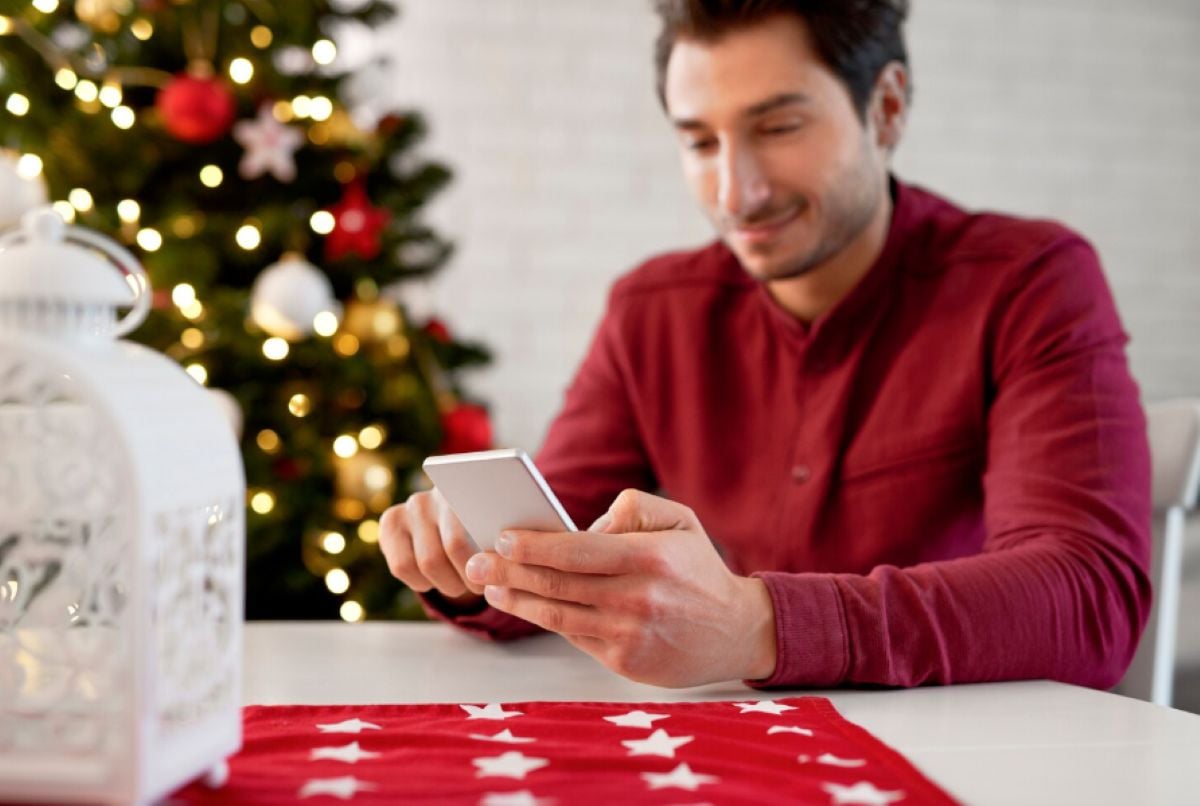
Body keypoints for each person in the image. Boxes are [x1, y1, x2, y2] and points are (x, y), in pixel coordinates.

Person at [378, 0, 1151, 690]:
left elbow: (1089, 600)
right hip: (731, 749)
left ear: (886, 109)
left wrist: (756, 626)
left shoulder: (1029, 282)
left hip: (977, 754)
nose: (735, 193)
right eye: (699, 142)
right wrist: (472, 561)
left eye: (778, 128)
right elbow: (561, 548)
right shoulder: (651, 312)